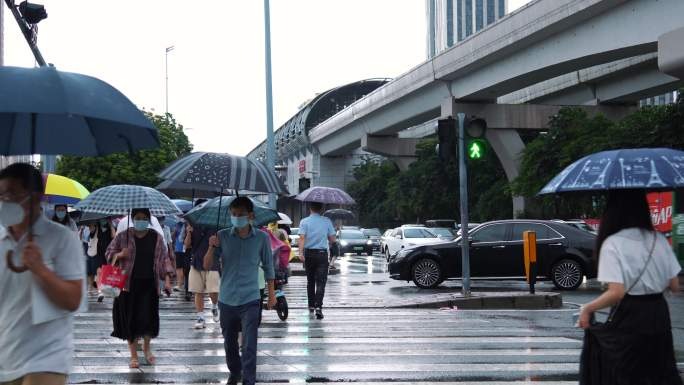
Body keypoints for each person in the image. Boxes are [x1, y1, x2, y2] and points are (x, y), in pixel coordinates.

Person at [578, 189, 682, 385]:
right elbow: (674, 285)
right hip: (659, 313)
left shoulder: (613, 243)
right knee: (660, 371)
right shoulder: (658, 239)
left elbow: (617, 292)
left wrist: (587, 308)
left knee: (627, 372)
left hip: (630, 315)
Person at [0, 163, 84, 385]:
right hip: (6, 355)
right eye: (1, 195)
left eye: (12, 194)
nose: (5, 201)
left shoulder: (62, 239)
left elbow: (73, 299)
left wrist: (40, 269)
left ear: (36, 196)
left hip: (48, 357)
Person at [205, 197, 276, 385]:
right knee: (229, 343)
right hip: (227, 298)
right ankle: (235, 371)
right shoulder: (222, 236)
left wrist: (272, 294)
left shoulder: (262, 237)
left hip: (251, 298)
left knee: (249, 343)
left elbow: (269, 267)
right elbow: (207, 265)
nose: (237, 218)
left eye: (241, 215)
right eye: (234, 215)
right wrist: (211, 247)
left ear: (251, 215)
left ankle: (249, 380)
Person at [106, 208, 174, 369]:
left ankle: (146, 347)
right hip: (127, 286)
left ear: (149, 219)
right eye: (137, 217)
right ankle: (133, 355)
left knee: (149, 319)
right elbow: (109, 253)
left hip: (150, 284)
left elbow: (164, 259)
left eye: (144, 218)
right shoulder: (123, 236)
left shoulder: (156, 237)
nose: (141, 221)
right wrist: (120, 255)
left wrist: (168, 279)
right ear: (132, 218)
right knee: (131, 320)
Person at [298, 202, 336, 320]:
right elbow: (332, 239)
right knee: (321, 282)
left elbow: (302, 238)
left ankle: (311, 306)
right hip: (322, 255)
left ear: (310, 208)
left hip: (309, 254)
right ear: (321, 208)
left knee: (310, 281)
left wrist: (300, 253)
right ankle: (318, 307)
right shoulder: (327, 221)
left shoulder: (304, 221)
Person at [184, 222, 220, 329]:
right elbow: (187, 245)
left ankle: (214, 306)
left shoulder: (216, 224)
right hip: (196, 262)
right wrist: (189, 233)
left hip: (213, 263)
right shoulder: (192, 225)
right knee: (198, 291)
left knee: (213, 290)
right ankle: (200, 317)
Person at [94, 218, 114, 303]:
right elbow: (92, 235)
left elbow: (114, 236)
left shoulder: (111, 226)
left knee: (108, 272)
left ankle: (109, 290)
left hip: (109, 251)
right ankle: (100, 292)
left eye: (105, 219)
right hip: (99, 251)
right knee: (99, 271)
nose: (103, 220)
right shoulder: (97, 225)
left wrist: (110, 224)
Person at [172, 219, 188, 295]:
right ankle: (185, 285)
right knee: (185, 268)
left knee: (179, 268)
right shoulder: (190, 223)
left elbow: (173, 236)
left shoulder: (178, 224)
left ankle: (179, 285)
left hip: (179, 249)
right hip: (187, 249)